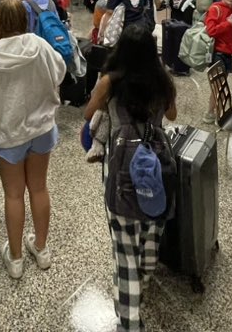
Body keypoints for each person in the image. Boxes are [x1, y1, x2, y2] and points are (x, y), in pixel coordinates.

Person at [83, 24, 177, 332]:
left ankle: (130, 322)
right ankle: (147, 276)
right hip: (158, 163)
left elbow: (88, 115)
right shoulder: (162, 80)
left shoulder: (111, 81)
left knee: (124, 250)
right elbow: (172, 116)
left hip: (122, 166)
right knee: (152, 227)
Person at [0, 0, 65, 279]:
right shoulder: (39, 45)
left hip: (8, 134)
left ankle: (15, 258)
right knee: (39, 188)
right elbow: (60, 70)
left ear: (0, 22)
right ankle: (41, 249)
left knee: (13, 194)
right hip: (41, 129)